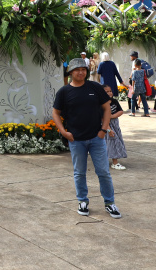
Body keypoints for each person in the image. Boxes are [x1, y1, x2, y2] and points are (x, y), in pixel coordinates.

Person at [51, 58, 121, 219]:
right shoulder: (64, 92)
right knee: (79, 172)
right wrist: (63, 132)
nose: (81, 72)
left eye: (83, 69)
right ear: (71, 73)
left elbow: (106, 108)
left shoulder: (94, 87)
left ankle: (110, 203)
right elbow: (55, 112)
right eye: (77, 70)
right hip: (76, 140)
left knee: (103, 172)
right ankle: (82, 201)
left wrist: (103, 130)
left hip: (96, 138)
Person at [103, 85, 127, 170]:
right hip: (106, 127)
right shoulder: (101, 104)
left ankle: (114, 161)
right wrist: (109, 129)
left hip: (115, 126)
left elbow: (120, 111)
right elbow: (103, 119)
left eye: (110, 91)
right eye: (107, 92)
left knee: (114, 143)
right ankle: (114, 162)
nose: (109, 93)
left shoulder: (114, 101)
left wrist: (112, 116)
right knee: (110, 143)